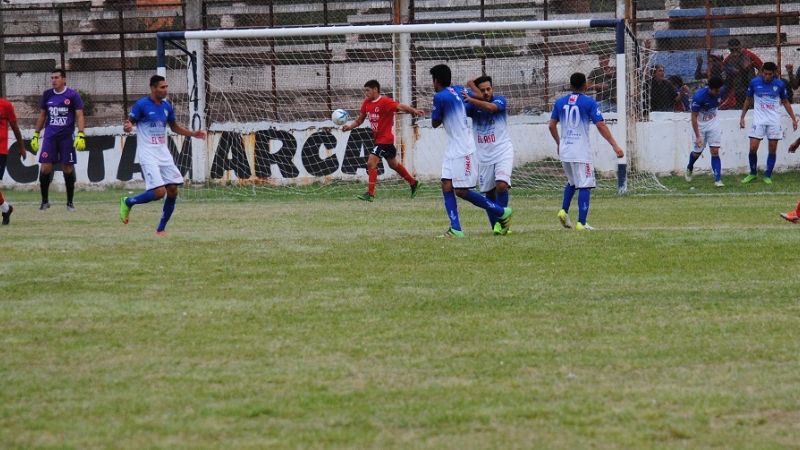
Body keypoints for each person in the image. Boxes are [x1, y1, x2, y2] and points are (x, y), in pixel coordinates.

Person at [429, 64, 512, 238]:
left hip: (464, 149)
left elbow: (435, 122)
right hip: (453, 148)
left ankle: (501, 211)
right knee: (446, 184)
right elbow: (480, 95)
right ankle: (456, 229)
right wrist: (470, 87)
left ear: (436, 80)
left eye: (432, 80)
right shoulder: (459, 90)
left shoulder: (440, 97)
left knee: (461, 191)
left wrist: (440, 112)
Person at [119, 75, 206, 235]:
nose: (165, 90)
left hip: (163, 152)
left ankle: (161, 229)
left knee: (172, 190)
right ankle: (128, 201)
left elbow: (174, 127)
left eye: (166, 87)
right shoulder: (142, 105)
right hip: (148, 153)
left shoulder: (167, 106)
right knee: (159, 192)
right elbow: (130, 121)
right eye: (162, 87)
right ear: (153, 88)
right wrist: (128, 126)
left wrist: (193, 134)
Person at [549, 72, 624, 231]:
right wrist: (615, 145)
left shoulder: (560, 102)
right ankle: (581, 223)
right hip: (580, 151)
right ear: (585, 85)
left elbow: (551, 125)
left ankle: (564, 210)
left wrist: (559, 142)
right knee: (585, 185)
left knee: (572, 182)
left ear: (570, 85)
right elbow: (601, 125)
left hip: (565, 149)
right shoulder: (589, 102)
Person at [341, 80, 424, 202]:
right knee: (393, 164)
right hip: (381, 140)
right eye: (365, 91)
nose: (366, 93)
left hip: (384, 140)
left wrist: (414, 111)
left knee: (371, 163)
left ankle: (370, 193)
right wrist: (349, 127)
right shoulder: (366, 103)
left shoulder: (385, 101)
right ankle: (413, 182)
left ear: (375, 89)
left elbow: (399, 106)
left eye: (368, 90)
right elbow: (359, 120)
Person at [462, 75, 514, 235]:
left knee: (501, 185)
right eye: (482, 90)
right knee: (489, 194)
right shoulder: (471, 107)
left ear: (493, 89)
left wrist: (472, 97)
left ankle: (502, 224)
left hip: (503, 151)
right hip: (484, 156)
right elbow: (459, 110)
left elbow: (491, 108)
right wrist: (470, 88)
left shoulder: (500, 101)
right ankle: (496, 226)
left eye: (488, 89)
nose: (486, 92)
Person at [29, 69, 85, 211]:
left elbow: (79, 115)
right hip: (50, 137)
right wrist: (36, 134)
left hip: (66, 137)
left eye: (57, 77)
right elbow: (42, 116)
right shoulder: (47, 94)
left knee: (67, 167)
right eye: (52, 78)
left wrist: (81, 134)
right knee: (46, 167)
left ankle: (70, 202)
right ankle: (45, 201)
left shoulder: (72, 95)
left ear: (64, 79)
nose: (54, 80)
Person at [739, 62, 797, 184]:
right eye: (765, 74)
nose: (767, 76)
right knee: (753, 148)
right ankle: (753, 173)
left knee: (772, 149)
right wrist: (742, 117)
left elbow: (785, 102)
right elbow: (748, 99)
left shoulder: (780, 84)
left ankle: (768, 175)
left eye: (770, 74)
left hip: (773, 121)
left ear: (774, 73)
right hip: (759, 121)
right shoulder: (754, 82)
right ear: (761, 72)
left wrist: (793, 118)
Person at [686, 76, 726, 187]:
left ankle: (718, 180)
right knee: (697, 153)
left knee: (715, 151)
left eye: (719, 90)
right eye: (716, 90)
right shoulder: (699, 97)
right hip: (700, 127)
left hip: (713, 125)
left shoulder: (720, 91)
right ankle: (689, 167)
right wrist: (698, 136)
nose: (718, 92)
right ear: (710, 88)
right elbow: (694, 117)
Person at [0, 97, 26, 225]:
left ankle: (6, 208)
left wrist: (21, 146)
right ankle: (6, 208)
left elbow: (15, 127)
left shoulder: (6, 105)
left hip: (0, 150)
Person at [723, 38, 763, 109]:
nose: (735, 53)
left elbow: (761, 67)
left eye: (736, 50)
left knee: (749, 67)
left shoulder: (748, 54)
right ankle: (739, 103)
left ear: (740, 47)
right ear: (729, 49)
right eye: (732, 50)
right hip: (737, 84)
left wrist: (756, 79)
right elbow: (722, 67)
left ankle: (751, 101)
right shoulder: (729, 59)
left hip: (749, 81)